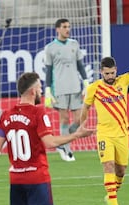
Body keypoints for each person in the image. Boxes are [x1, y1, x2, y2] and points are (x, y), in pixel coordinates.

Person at [0, 72, 94, 205]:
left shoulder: (6, 115)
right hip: (36, 177)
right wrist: (76, 135)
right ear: (33, 92)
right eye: (39, 88)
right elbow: (50, 142)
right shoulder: (38, 113)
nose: (41, 92)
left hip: (16, 178)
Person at [80, 36, 129, 205]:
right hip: (104, 133)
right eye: (107, 74)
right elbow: (86, 107)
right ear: (101, 72)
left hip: (122, 133)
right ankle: (113, 203)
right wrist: (82, 125)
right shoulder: (94, 88)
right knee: (108, 166)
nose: (110, 76)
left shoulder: (123, 81)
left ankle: (111, 194)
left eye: (112, 73)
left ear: (115, 70)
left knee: (121, 170)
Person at [44, 18, 89, 162]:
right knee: (64, 118)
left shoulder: (74, 44)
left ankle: (61, 142)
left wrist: (86, 82)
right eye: (64, 27)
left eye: (69, 27)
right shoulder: (50, 47)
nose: (67, 29)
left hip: (75, 87)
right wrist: (48, 89)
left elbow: (80, 65)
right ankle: (67, 150)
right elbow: (49, 70)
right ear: (58, 29)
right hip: (60, 88)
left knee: (80, 118)